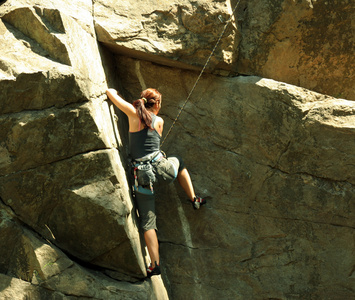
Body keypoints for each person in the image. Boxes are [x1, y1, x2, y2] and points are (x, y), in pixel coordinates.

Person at [106, 88, 206, 277]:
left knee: (148, 222)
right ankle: (193, 198)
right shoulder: (159, 121)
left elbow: (112, 96)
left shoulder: (133, 113)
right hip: (163, 169)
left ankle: (154, 264)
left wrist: (112, 91)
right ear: (157, 104)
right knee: (179, 162)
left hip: (143, 178)